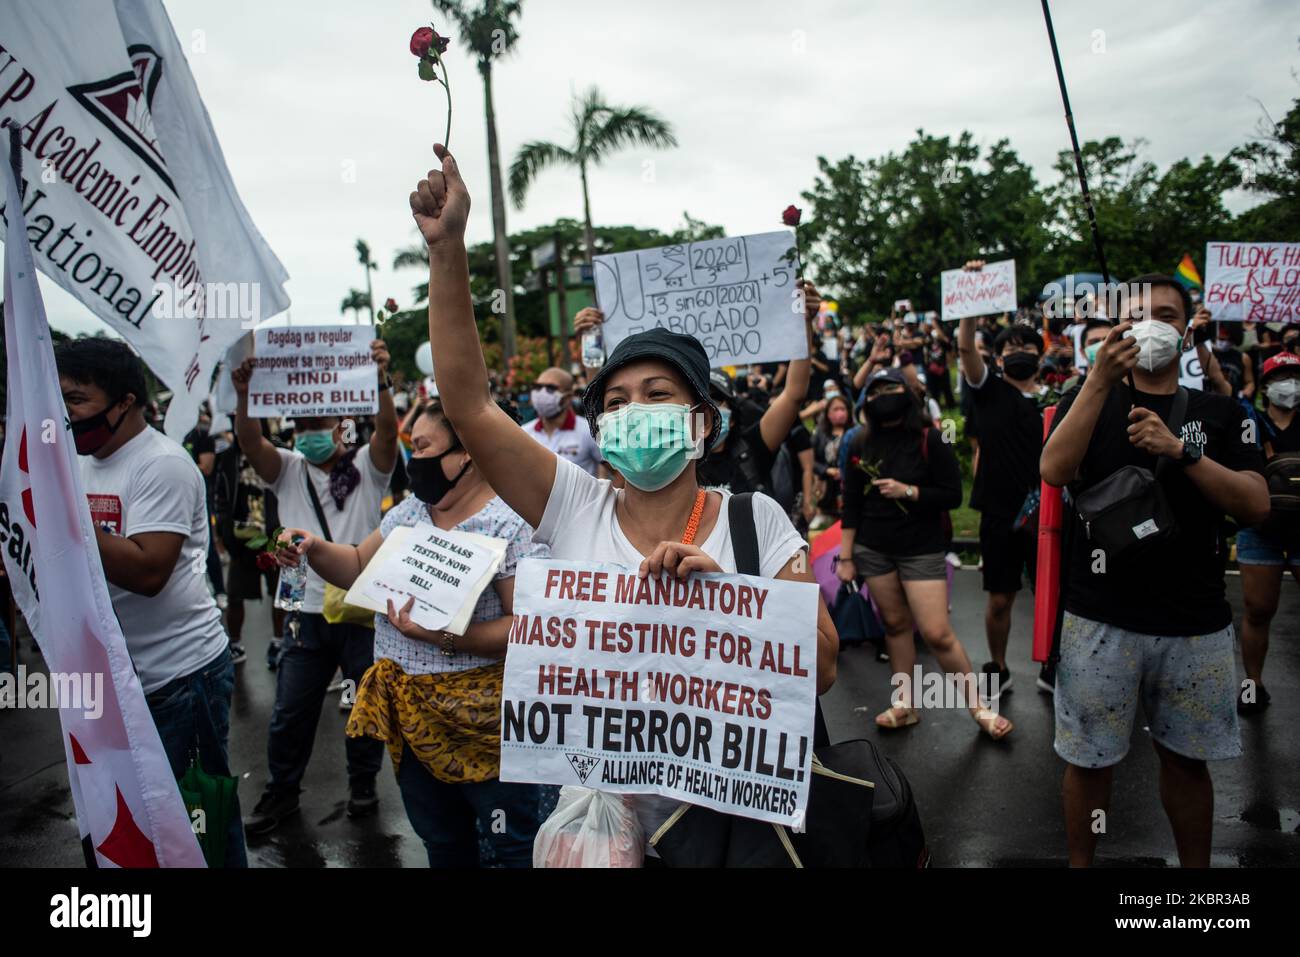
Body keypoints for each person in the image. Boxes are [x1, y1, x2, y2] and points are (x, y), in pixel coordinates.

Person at [410, 145, 838, 860]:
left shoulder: (754, 521)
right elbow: (469, 404)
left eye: (657, 395)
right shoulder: (575, 506)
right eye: (615, 402)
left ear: (702, 422)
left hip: (732, 835)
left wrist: (725, 599)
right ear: (600, 431)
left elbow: (822, 667)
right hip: (603, 836)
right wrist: (448, 249)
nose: (633, 411)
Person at [1040, 274, 1269, 867]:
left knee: (1187, 763)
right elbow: (1055, 470)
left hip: (1194, 624)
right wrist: (1096, 382)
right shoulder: (1088, 398)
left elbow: (1255, 503)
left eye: (1166, 313)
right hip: (1099, 620)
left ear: (1187, 327)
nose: (1152, 323)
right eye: (1139, 313)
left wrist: (1182, 450)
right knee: (1089, 765)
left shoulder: (1221, 413)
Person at [273, 400, 551, 866]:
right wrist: (314, 548)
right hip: (411, 718)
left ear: (467, 452)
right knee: (441, 840)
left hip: (487, 726)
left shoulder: (511, 523)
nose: (413, 461)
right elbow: (360, 565)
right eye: (410, 448)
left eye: (422, 448)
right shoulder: (410, 514)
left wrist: (445, 637)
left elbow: (526, 625)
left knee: (512, 842)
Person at [55, 338, 245, 867]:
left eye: (77, 399)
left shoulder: (162, 465)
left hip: (180, 679)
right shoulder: (75, 462)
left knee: (198, 821)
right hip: (112, 681)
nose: (66, 414)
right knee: (118, 819)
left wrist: (63, 514)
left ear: (126, 402)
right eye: (60, 399)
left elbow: (147, 570)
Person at [230, 339, 398, 833]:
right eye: (300, 426)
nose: (306, 434)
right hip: (304, 613)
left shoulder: (368, 467)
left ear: (343, 426)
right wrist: (245, 396)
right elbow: (249, 442)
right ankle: (281, 793)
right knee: (290, 710)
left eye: (316, 425)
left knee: (362, 706)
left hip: (362, 612)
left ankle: (363, 786)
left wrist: (382, 380)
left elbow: (388, 432)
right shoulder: (287, 470)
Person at [837, 368, 1012, 739]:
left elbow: (952, 495)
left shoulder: (931, 438)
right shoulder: (858, 443)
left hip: (921, 550)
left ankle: (980, 708)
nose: (882, 394)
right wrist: (847, 557)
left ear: (908, 393)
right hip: (873, 551)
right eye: (875, 390)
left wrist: (909, 492)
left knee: (936, 633)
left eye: (890, 387)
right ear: (865, 401)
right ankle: (905, 705)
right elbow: (850, 504)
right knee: (896, 626)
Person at [956, 263, 1047, 697]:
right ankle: (999, 664)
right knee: (1000, 597)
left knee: (1055, 592)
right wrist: (970, 298)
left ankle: (1054, 663)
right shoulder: (989, 390)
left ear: (1040, 354)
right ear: (997, 356)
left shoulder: (1059, 399)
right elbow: (965, 350)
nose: (1017, 350)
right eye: (1008, 345)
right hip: (998, 512)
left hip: (1049, 515)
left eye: (1025, 344)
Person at [1237, 352, 1300, 715]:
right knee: (1258, 609)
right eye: (1282, 376)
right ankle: (1253, 683)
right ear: (1265, 386)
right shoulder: (1250, 421)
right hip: (1261, 527)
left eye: (1295, 374)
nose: (1289, 383)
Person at [212, 420, 286, 665]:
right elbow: (221, 496)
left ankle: (279, 642)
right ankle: (234, 644)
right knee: (235, 595)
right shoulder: (228, 458)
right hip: (242, 540)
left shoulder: (279, 452)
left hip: (275, 538)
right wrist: (225, 532)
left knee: (280, 595)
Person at [524, 366, 603, 476]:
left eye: (550, 388)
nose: (542, 393)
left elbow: (617, 470)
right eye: (538, 387)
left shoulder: (589, 431)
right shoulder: (524, 433)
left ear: (568, 397)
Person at [812, 392, 852, 527]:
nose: (840, 413)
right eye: (835, 409)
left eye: (843, 409)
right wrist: (826, 470)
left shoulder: (855, 433)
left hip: (849, 489)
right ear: (828, 413)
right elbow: (810, 461)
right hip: (827, 491)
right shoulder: (820, 434)